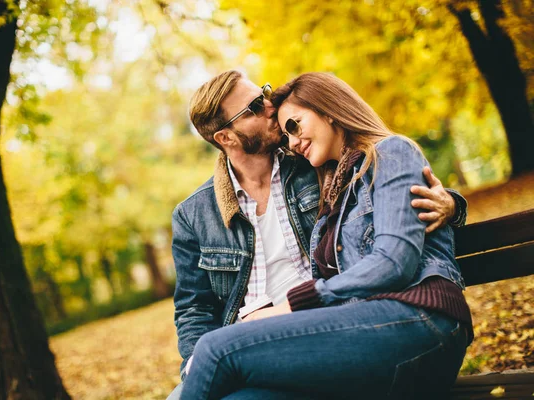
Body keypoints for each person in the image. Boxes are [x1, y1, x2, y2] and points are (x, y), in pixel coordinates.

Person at [170, 71, 469, 399]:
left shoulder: (320, 167)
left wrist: (452, 204)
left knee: (215, 350)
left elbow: (401, 197)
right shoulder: (328, 175)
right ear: (226, 137)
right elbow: (193, 306)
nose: (270, 106)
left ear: (327, 110)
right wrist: (193, 362)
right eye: (256, 106)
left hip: (379, 320)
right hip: (302, 340)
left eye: (266, 94)